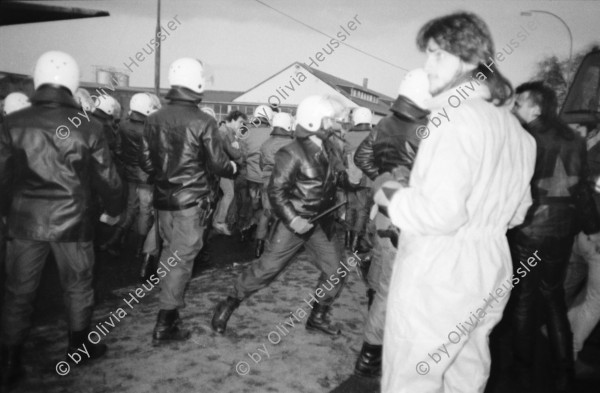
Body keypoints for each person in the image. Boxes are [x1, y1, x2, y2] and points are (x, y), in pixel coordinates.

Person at [373, 12, 537, 393]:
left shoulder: (454, 118)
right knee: (466, 373)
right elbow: (518, 212)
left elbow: (440, 213)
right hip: (491, 264)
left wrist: (388, 193)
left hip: (442, 271)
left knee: (412, 378)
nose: (427, 66)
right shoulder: (517, 132)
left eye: (436, 55)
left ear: (467, 58)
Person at [0, 51, 124, 390]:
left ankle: (10, 360)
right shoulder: (90, 125)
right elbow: (109, 179)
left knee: (18, 292)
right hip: (74, 221)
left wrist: (7, 212)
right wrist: (113, 211)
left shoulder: (13, 122)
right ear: (72, 83)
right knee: (78, 287)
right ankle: (78, 348)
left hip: (25, 221)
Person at [211, 95, 351, 336]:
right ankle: (230, 302)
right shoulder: (292, 151)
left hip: (321, 223)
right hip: (294, 222)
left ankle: (318, 316)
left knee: (337, 269)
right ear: (315, 121)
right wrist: (294, 219)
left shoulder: (330, 148)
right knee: (266, 269)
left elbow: (336, 178)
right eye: (331, 120)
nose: (337, 124)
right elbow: (276, 191)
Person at [509, 81, 600, 392]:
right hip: (562, 230)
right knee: (553, 295)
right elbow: (583, 188)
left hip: (529, 228)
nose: (514, 107)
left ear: (537, 107)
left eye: (519, 102)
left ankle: (521, 372)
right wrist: (593, 228)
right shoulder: (573, 139)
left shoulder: (524, 137)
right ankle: (564, 369)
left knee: (523, 299)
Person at [140, 57, 237, 345]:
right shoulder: (203, 121)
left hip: (163, 200)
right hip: (190, 202)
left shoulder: (153, 118)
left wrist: (166, 175)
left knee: (171, 254)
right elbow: (219, 164)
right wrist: (234, 168)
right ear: (197, 84)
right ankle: (165, 323)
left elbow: (145, 161)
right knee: (179, 261)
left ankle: (168, 316)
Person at [347, 69, 431, 379]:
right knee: (391, 289)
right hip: (406, 216)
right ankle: (371, 355)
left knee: (380, 276)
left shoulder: (384, 123)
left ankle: (377, 336)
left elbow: (362, 158)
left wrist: (385, 182)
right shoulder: (426, 130)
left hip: (383, 210)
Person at [117, 93, 162, 275]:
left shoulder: (122, 125)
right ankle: (139, 246)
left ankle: (117, 239)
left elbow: (119, 149)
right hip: (144, 175)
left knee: (131, 207)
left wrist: (129, 162)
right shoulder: (150, 128)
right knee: (145, 210)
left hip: (129, 172)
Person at [255, 111, 294, 257]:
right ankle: (277, 247)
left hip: (266, 181)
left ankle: (259, 246)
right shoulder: (292, 144)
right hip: (285, 183)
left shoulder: (265, 144)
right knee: (283, 215)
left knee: (266, 213)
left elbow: (261, 164)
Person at [238, 105, 273, 241]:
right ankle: (261, 230)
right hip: (266, 176)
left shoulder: (246, 132)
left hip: (251, 175)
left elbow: (241, 155)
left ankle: (248, 224)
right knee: (266, 205)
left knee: (253, 200)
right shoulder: (272, 132)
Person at [343, 107, 373, 252]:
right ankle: (356, 243)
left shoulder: (348, 136)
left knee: (350, 208)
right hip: (367, 179)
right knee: (362, 211)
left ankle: (347, 240)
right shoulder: (374, 135)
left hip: (351, 176)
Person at [213, 110, 247, 236]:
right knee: (229, 193)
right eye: (240, 122)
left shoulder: (228, 132)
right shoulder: (224, 133)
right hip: (224, 168)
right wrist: (240, 153)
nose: (241, 125)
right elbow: (235, 152)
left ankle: (216, 220)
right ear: (232, 120)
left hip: (226, 168)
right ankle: (219, 221)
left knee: (225, 195)